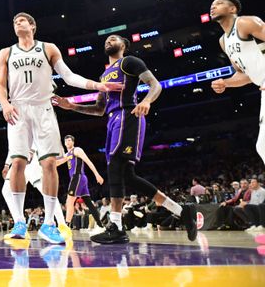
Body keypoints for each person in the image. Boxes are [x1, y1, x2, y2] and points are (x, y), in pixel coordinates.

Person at [54, 34, 197, 244]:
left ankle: (116, 226)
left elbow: (155, 85)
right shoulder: (104, 76)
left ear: (124, 45)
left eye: (114, 39)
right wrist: (71, 106)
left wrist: (147, 101)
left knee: (114, 168)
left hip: (128, 115)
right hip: (113, 120)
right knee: (127, 176)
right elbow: (99, 109)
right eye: (106, 40)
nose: (108, 41)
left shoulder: (129, 62)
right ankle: (181, 210)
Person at [0, 12, 120, 245]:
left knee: (50, 163)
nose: (16, 23)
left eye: (21, 20)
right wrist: (4, 104)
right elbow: (0, 85)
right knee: (18, 163)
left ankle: (49, 225)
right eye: (14, 22)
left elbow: (68, 76)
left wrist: (98, 85)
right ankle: (20, 223)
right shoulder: (6, 53)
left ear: (32, 25)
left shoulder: (48, 48)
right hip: (18, 109)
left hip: (44, 107)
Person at [209, 0, 265, 166]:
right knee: (262, 147)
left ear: (232, 9)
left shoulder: (246, 22)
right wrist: (225, 82)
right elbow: (244, 75)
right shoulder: (223, 41)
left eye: (219, 3)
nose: (213, 7)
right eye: (212, 5)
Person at [1, 149, 70, 240]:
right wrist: (6, 164)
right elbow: (15, 145)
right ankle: (20, 225)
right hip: (18, 158)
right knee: (6, 191)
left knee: (47, 192)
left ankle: (62, 226)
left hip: (33, 160)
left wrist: (32, 151)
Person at [56, 135, 104, 232]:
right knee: (89, 203)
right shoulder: (67, 154)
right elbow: (56, 163)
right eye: (66, 141)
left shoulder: (77, 150)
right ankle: (101, 226)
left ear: (73, 142)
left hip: (77, 177)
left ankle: (67, 226)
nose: (68, 142)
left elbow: (88, 161)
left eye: (69, 140)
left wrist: (97, 174)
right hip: (79, 179)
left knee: (69, 201)